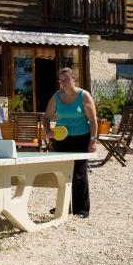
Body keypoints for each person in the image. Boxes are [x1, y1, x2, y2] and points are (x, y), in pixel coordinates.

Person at [42, 67, 98, 218]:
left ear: (73, 79)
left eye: (66, 80)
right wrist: (48, 131)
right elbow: (46, 117)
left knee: (79, 173)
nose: (63, 83)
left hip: (81, 137)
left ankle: (81, 210)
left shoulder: (83, 96)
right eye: (61, 81)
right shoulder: (56, 97)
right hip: (61, 139)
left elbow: (93, 121)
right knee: (61, 172)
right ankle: (63, 206)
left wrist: (93, 141)